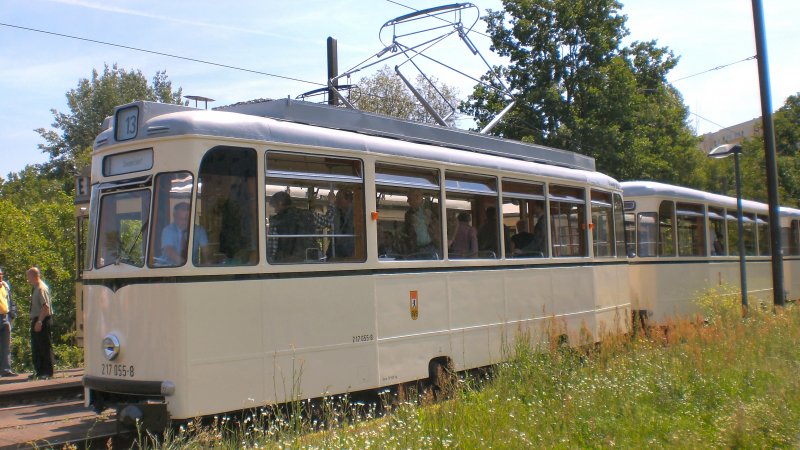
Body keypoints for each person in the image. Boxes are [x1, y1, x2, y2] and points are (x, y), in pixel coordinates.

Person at [267, 191, 334, 262]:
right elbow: (328, 221)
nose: (275, 210)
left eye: (275, 206)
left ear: (280, 204)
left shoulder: (276, 221)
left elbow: (272, 249)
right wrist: (332, 204)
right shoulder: (309, 215)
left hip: (287, 262)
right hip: (310, 258)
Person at [28, 267, 54, 380]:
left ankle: (47, 371)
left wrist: (39, 321)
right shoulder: (35, 288)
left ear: (34, 276)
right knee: (36, 347)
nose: (27, 279)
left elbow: (46, 307)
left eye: (28, 276)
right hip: (36, 319)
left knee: (44, 346)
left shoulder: (41, 288)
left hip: (42, 319)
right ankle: (39, 371)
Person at [402, 189, 441, 258]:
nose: (407, 201)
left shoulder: (433, 207)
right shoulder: (408, 214)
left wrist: (450, 240)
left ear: (417, 197)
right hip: (416, 249)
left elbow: (451, 220)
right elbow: (406, 232)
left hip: (432, 247)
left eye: (409, 198)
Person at [328, 189, 355, 259]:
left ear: (348, 200)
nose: (336, 201)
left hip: (350, 254)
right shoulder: (338, 214)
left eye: (339, 198)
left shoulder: (356, 215)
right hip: (339, 252)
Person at [0, 268, 17, 377]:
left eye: (1, 274)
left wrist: (12, 315)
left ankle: (6, 369)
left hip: (5, 318)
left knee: (6, 345)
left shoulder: (5, 286)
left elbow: (11, 300)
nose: (0, 277)